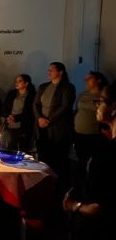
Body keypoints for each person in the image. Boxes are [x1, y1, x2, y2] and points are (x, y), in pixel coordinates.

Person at [62, 81, 116, 240]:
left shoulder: (109, 154)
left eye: (100, 101)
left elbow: (101, 206)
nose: (97, 106)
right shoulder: (107, 146)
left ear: (113, 108)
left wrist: (75, 206)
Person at [33, 62, 76, 191]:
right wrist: (39, 118)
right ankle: (43, 182)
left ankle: (58, 186)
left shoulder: (68, 87)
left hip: (58, 127)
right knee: (43, 155)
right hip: (41, 126)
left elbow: (65, 106)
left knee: (57, 157)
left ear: (60, 72)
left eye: (51, 70)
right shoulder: (43, 86)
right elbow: (35, 104)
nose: (49, 72)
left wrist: (49, 120)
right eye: (48, 70)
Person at [73, 71, 108, 171]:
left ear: (98, 80)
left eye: (89, 78)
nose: (86, 80)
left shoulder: (104, 94)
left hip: (94, 135)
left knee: (94, 163)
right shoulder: (83, 94)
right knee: (80, 161)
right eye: (85, 79)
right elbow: (77, 110)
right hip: (79, 134)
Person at [2, 74, 36, 152]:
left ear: (26, 83)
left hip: (24, 126)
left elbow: (31, 112)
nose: (16, 83)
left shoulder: (32, 95)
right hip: (10, 124)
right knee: (9, 148)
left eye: (20, 81)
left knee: (23, 148)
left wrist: (16, 118)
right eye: (16, 81)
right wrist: (8, 116)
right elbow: (5, 106)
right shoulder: (12, 93)